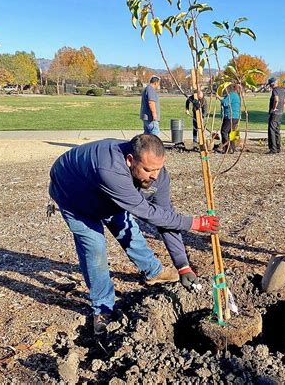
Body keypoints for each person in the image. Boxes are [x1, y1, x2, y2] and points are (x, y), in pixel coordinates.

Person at [49, 135, 219, 334]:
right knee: (94, 247)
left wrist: (183, 265)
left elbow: (164, 218)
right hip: (74, 196)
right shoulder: (109, 168)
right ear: (130, 160)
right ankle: (103, 307)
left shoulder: (158, 176)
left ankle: (154, 272)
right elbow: (145, 212)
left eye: (159, 168)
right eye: (148, 169)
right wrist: (193, 223)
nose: (155, 175)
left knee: (126, 229)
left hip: (109, 195)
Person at [267, 77, 285, 154]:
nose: (270, 86)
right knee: (277, 130)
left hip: (274, 113)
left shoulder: (275, 90)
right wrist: (283, 107)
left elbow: (276, 99)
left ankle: (273, 149)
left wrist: (274, 108)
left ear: (272, 84)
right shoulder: (283, 90)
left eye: (270, 85)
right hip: (280, 113)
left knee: (272, 130)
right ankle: (278, 148)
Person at [218, 84, 241, 153]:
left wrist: (219, 98)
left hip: (230, 116)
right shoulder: (236, 95)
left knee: (224, 131)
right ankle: (233, 148)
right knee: (233, 132)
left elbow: (225, 103)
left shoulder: (231, 95)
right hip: (236, 116)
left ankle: (227, 148)